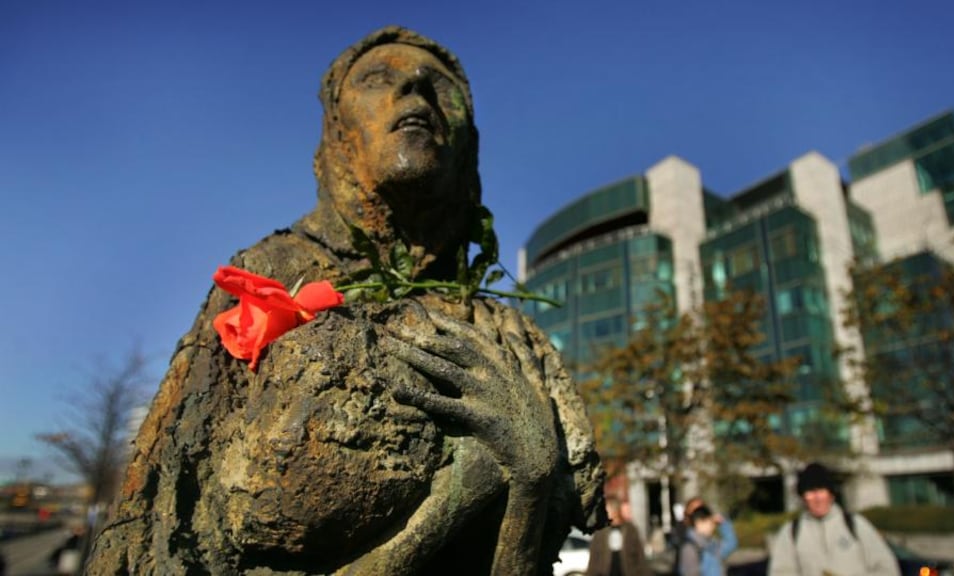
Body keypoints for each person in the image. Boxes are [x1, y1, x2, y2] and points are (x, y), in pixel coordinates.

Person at [85, 26, 605, 575]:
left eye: (439, 86)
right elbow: (168, 536)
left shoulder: (511, 335)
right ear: (338, 131)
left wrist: (530, 478)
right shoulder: (270, 276)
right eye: (379, 80)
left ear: (469, 144)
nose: (414, 94)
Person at [768, 462, 899, 576]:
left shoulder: (855, 524)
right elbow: (779, 572)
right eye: (810, 492)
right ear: (803, 497)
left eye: (821, 491)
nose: (817, 498)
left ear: (831, 494)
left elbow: (888, 569)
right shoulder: (791, 532)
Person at [586, 495, 652, 576]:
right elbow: (594, 557)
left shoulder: (630, 529)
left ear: (615, 511)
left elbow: (640, 556)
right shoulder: (600, 530)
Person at [677, 505, 737, 576]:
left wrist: (723, 523)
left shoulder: (711, 544)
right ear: (699, 522)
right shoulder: (689, 548)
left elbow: (731, 543)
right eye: (710, 522)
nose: (713, 526)